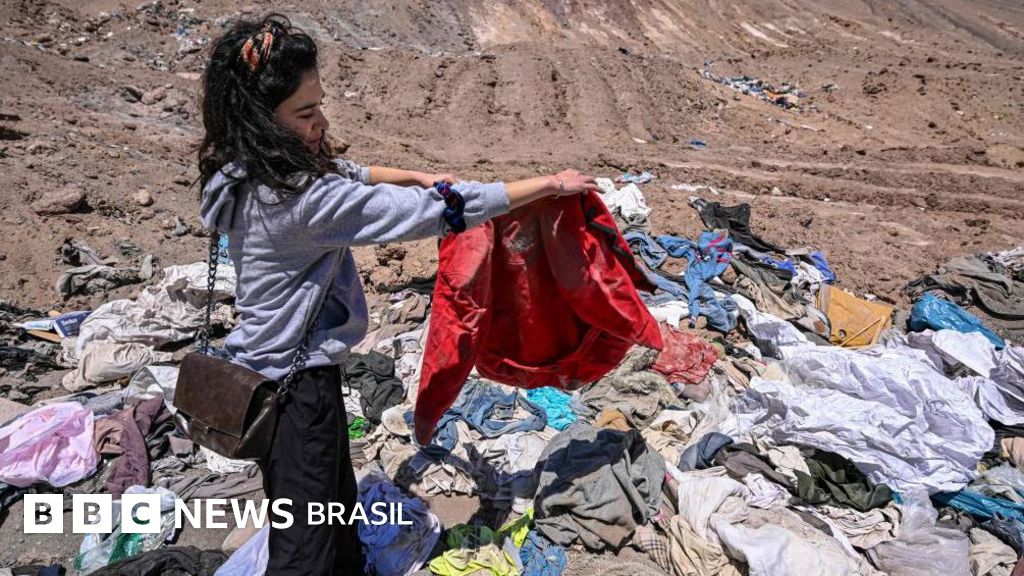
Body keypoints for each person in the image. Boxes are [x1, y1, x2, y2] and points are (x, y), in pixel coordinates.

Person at [196, 13, 597, 576]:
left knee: (331, 513)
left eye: (320, 105)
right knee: (303, 551)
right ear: (263, 120)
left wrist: (402, 173)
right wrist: (550, 185)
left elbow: (343, 170)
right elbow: (438, 213)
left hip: (268, 375)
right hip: (295, 390)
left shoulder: (237, 172)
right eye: (305, 113)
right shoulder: (302, 201)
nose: (320, 122)